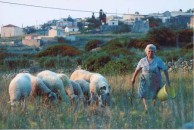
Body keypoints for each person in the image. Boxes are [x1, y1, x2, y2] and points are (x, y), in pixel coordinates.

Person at [131, 44, 170, 112]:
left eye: (152, 51)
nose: (150, 53)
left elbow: (165, 70)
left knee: (155, 94)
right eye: (149, 51)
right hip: (144, 79)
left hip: (155, 80)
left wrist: (167, 80)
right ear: (146, 51)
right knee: (144, 93)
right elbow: (137, 69)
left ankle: (153, 107)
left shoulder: (158, 60)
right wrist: (133, 78)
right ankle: (146, 108)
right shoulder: (142, 60)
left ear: (154, 52)